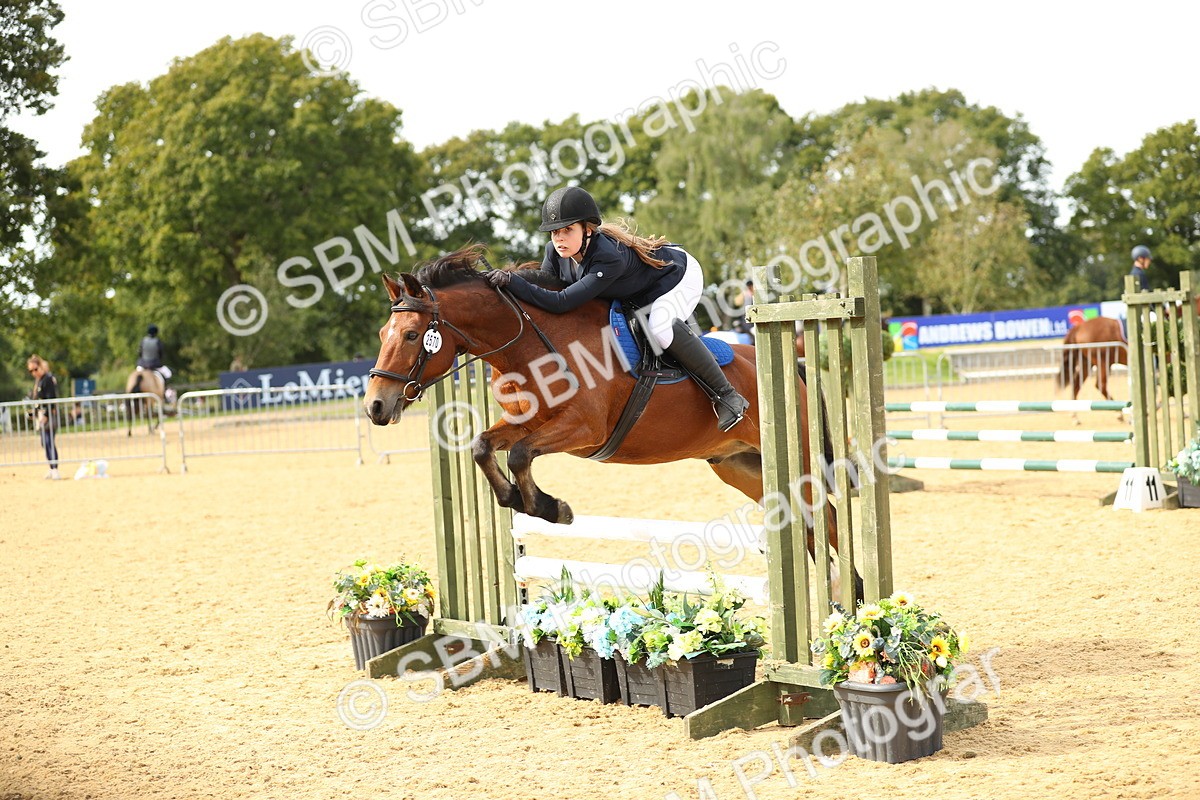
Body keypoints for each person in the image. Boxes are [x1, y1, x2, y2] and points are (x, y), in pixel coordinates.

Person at [485, 186, 749, 431]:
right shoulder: (554, 253)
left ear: (587, 230)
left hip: (676, 278)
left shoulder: (607, 257)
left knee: (659, 328)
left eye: (567, 230)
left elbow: (562, 301)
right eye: (555, 232)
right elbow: (546, 292)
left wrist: (514, 281)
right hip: (636, 288)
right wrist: (508, 288)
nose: (559, 239)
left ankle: (727, 396)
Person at [26, 355, 60, 480]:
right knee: (44, 443)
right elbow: (38, 401)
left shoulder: (48, 379)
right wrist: (32, 413)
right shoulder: (38, 382)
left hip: (49, 416)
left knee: (49, 441)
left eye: (35, 369)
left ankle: (55, 468)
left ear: (40, 366)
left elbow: (51, 398)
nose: (33, 373)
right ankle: (51, 468)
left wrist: (46, 415)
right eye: (30, 371)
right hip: (41, 417)